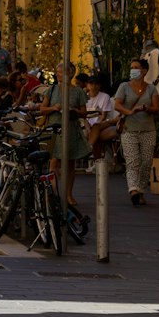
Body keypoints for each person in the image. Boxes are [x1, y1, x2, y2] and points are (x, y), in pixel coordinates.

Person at [40, 60, 91, 213]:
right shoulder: (52, 90)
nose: (58, 74)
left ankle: (68, 194)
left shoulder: (78, 92)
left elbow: (84, 113)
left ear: (70, 74)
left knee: (70, 163)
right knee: (54, 161)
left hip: (71, 128)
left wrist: (73, 110)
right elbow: (42, 109)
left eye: (61, 72)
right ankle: (53, 193)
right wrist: (53, 108)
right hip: (54, 128)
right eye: (58, 72)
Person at [114, 58, 159, 205]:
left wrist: (148, 109)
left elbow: (157, 109)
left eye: (136, 67)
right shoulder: (124, 86)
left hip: (148, 130)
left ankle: (141, 191)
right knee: (133, 161)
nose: (133, 70)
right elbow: (117, 105)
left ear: (144, 71)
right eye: (131, 67)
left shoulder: (152, 89)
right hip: (129, 130)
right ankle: (133, 190)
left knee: (146, 162)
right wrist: (129, 111)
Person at [85, 73, 118, 160]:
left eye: (96, 84)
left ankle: (89, 148)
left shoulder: (104, 97)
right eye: (91, 84)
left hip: (104, 123)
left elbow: (103, 116)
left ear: (100, 86)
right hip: (88, 125)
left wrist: (92, 127)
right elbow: (83, 117)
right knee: (96, 136)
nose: (94, 86)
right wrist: (88, 128)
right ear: (87, 85)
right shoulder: (84, 98)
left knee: (95, 127)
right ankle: (98, 162)